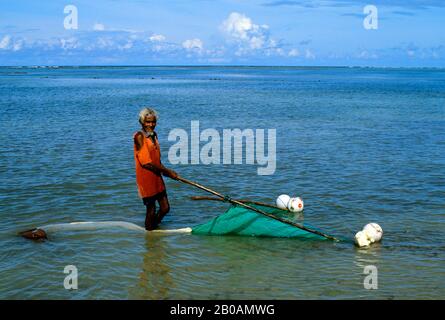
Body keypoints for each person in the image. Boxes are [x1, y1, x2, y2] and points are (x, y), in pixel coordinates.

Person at [134, 108, 178, 230]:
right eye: (148, 122)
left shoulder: (154, 135)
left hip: (157, 175)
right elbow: (146, 162)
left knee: (165, 208)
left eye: (153, 122)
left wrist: (166, 172)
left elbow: (156, 160)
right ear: (142, 122)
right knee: (151, 209)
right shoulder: (139, 136)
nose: (151, 125)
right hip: (146, 177)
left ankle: (154, 229)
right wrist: (167, 171)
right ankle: (149, 233)